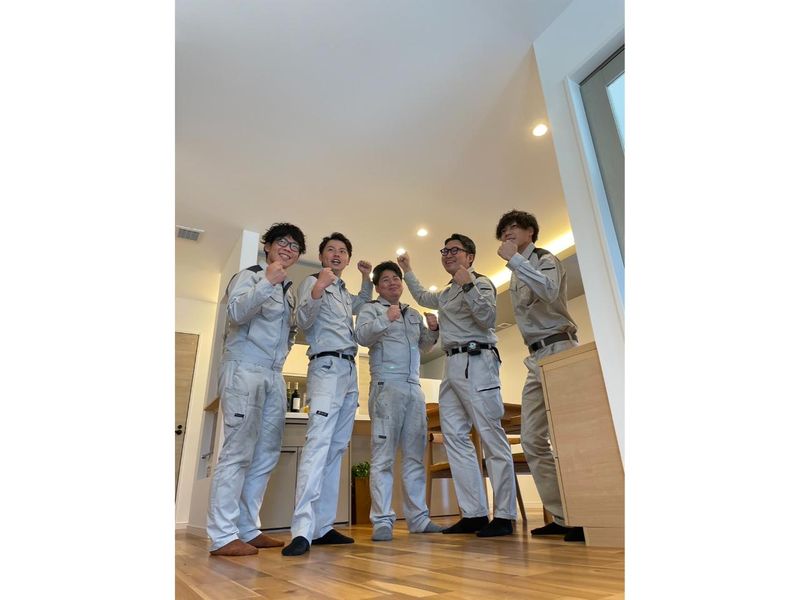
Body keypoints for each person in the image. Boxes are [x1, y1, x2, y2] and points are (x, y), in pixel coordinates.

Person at [398, 234, 517, 538]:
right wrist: (407, 269)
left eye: (455, 250)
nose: (448, 254)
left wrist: (468, 285)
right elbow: (423, 297)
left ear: (470, 256)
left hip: (478, 361)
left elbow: (487, 318)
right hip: (451, 365)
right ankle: (474, 513)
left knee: (490, 435)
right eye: (445, 250)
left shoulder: (481, 282)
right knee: (455, 438)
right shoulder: (447, 292)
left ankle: (505, 515)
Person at [207, 222, 307, 556]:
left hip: (273, 374)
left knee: (266, 453)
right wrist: (267, 282)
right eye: (283, 242)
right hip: (244, 368)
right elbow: (236, 312)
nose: (288, 249)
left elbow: (289, 332)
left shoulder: (288, 291)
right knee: (237, 452)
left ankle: (248, 529)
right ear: (267, 246)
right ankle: (223, 535)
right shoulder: (250, 276)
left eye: (295, 246)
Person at [282, 232, 373, 556]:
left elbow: (362, 302)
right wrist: (319, 287)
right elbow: (303, 320)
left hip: (349, 371)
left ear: (347, 259)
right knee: (318, 445)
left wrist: (366, 277)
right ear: (321, 256)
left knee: (336, 449)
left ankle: (322, 527)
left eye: (342, 251)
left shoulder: (344, 291)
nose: (337, 254)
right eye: (331, 250)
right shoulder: (312, 281)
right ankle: (302, 530)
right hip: (326, 366)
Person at [495, 209, 583, 542]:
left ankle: (584, 514)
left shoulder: (545, 259)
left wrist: (515, 261)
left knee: (568, 435)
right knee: (532, 438)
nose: (507, 234)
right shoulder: (516, 272)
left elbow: (548, 291)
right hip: (534, 357)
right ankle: (563, 515)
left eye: (513, 228)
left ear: (531, 231)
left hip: (559, 348)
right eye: (503, 231)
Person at [354, 261, 444, 541]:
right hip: (386, 386)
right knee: (383, 457)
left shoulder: (412, 313)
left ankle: (419, 519)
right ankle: (382, 520)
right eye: (386, 280)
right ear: (378, 287)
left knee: (415, 457)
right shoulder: (370, 309)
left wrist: (433, 330)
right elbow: (361, 337)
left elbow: (423, 346)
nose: (393, 282)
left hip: (414, 388)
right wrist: (386, 318)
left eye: (396, 278)